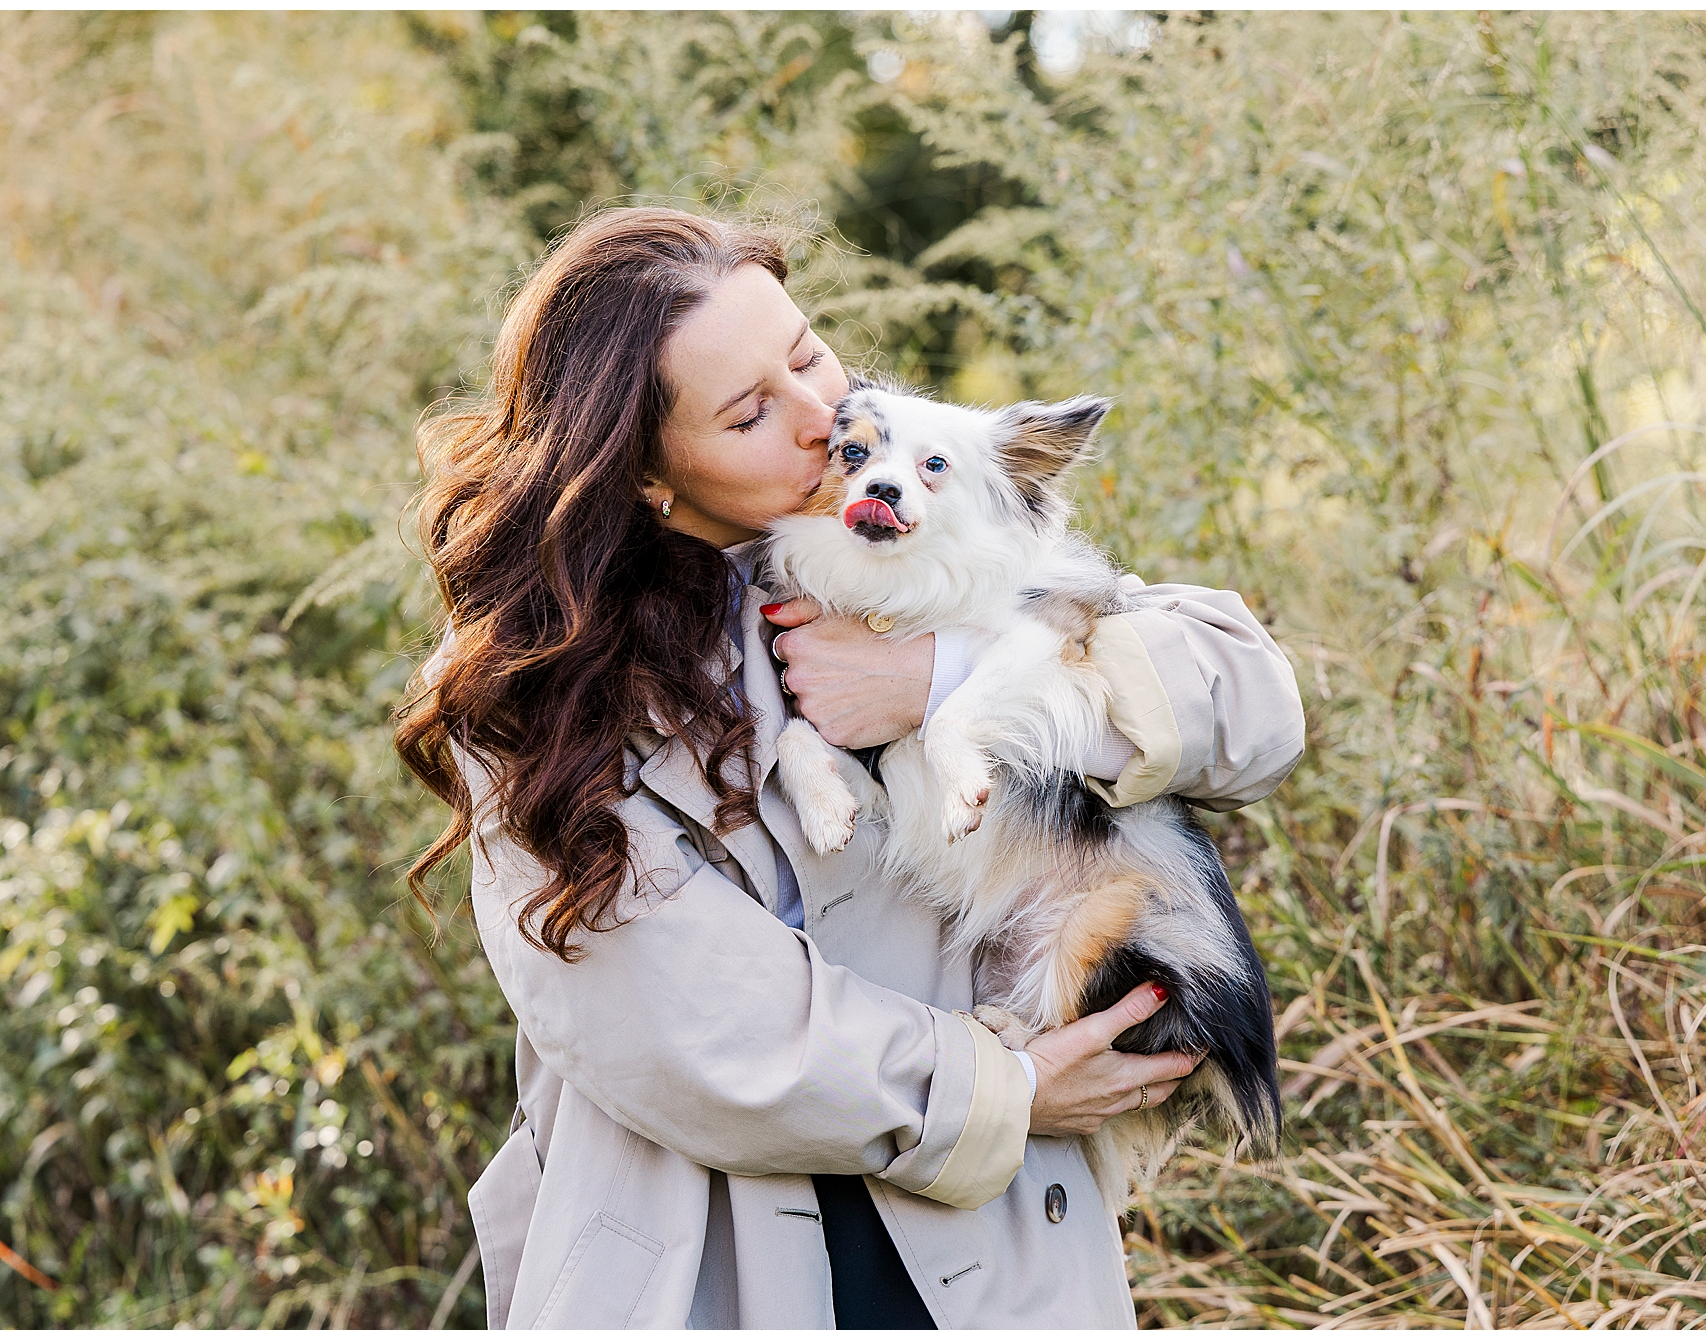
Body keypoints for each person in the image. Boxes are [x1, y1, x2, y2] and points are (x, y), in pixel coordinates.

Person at [394, 207, 1306, 1328]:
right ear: (642, 474)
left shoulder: (922, 534)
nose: (824, 415)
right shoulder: (543, 682)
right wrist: (1005, 1088)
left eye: (806, 351)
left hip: (989, 1253)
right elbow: (687, 1027)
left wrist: (938, 675)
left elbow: (1252, 698)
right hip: (710, 1261)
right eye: (749, 411)